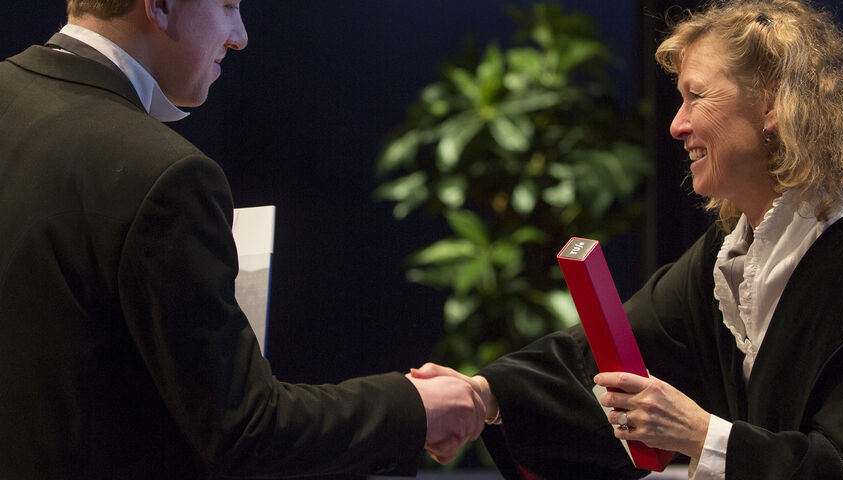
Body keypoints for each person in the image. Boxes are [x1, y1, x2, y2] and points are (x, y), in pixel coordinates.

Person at [411, 0, 843, 478]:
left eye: (696, 96)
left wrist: (702, 436)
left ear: (772, 104)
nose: (676, 124)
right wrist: (484, 396)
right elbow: (600, 357)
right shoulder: (731, 259)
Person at [0, 0, 486, 477]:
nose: (240, 36)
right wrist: (414, 405)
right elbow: (247, 430)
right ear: (161, 6)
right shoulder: (166, 175)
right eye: (229, 5)